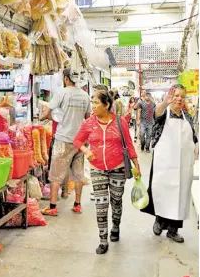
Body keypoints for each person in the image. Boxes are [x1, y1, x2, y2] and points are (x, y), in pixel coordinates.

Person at [74, 89, 141, 255]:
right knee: (101, 205)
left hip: (118, 167)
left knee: (116, 201)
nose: (93, 106)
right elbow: (77, 140)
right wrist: (85, 150)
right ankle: (103, 240)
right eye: (93, 103)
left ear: (107, 105)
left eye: (97, 103)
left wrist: (136, 164)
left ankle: (116, 226)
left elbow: (130, 145)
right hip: (97, 169)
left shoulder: (120, 122)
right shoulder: (89, 123)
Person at [141, 85, 197, 243]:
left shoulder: (187, 116)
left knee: (180, 195)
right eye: (176, 95)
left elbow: (192, 136)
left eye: (182, 96)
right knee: (162, 192)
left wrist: (196, 147)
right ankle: (159, 220)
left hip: (183, 165)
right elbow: (156, 114)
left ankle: (173, 230)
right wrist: (165, 103)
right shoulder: (164, 112)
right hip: (164, 163)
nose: (179, 99)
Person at [40, 68, 91, 216]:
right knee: (78, 174)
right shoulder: (85, 95)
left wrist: (47, 118)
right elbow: (88, 118)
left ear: (66, 78)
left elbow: (46, 114)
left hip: (63, 139)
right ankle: (77, 205)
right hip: (80, 141)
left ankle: (52, 207)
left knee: (56, 174)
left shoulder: (61, 93)